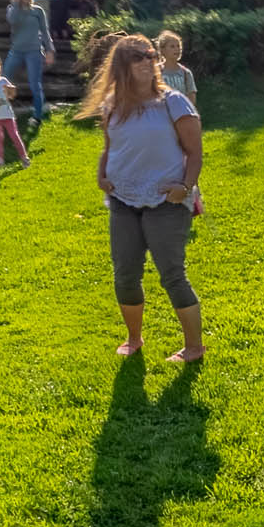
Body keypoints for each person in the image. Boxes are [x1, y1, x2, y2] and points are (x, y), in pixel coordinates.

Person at [85, 34, 206, 363]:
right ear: (122, 66)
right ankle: (134, 338)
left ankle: (194, 348)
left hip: (166, 200)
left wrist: (185, 187)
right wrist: (101, 174)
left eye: (150, 55)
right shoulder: (113, 105)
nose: (147, 61)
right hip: (123, 199)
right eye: (137, 57)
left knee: (172, 273)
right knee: (125, 273)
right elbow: (111, 148)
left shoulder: (174, 101)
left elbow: (195, 153)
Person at [2, 0, 54, 129]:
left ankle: (37, 116)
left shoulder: (37, 11)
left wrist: (50, 50)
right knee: (3, 78)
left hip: (34, 52)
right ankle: (2, 112)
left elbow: (45, 32)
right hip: (16, 51)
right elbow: (12, 20)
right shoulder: (12, 9)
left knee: (34, 84)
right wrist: (17, 3)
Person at [156, 30, 198, 104]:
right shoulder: (155, 71)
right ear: (162, 50)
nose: (177, 49)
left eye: (178, 46)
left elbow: (191, 100)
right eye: (172, 46)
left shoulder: (186, 73)